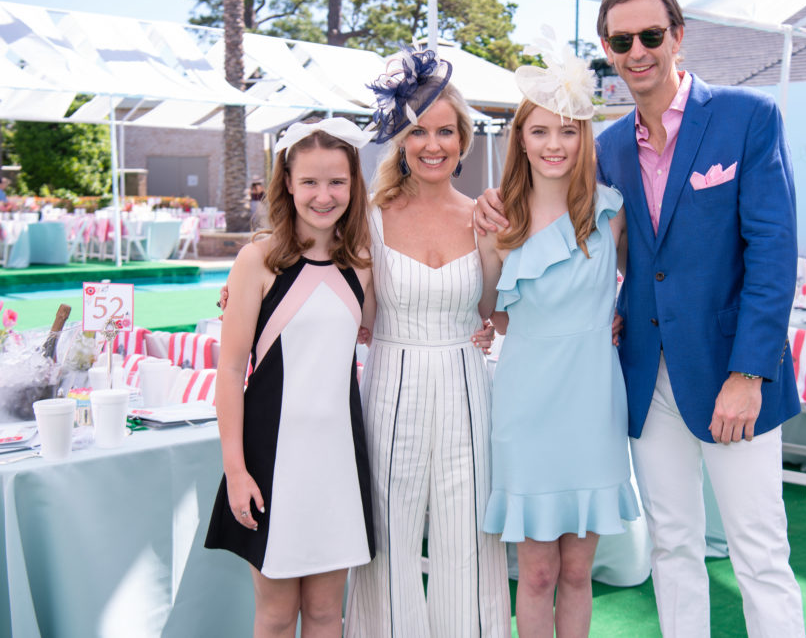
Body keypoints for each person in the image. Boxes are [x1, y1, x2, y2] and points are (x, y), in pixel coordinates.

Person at [477, 0, 805, 637]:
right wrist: (485, 208)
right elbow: (579, 239)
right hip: (643, 380)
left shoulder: (748, 117)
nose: (638, 50)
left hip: (731, 378)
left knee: (759, 551)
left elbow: (774, 257)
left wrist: (750, 373)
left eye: (651, 35)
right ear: (607, 48)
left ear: (677, 36)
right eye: (622, 40)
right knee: (672, 547)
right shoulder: (611, 150)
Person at [344, 48, 511, 638]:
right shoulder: (369, 216)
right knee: (386, 540)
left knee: (468, 537)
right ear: (401, 140)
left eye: (445, 131)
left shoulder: (486, 217)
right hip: (389, 381)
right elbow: (343, 300)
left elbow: (497, 312)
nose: (433, 144)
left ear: (463, 142)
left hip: (467, 383)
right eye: (419, 131)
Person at [477, 43, 639, 638]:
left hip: (593, 403)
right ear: (521, 138)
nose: (553, 144)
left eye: (567, 132)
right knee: (538, 575)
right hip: (526, 405)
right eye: (540, 131)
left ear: (584, 140)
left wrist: (616, 314)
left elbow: (650, 286)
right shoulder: (496, 221)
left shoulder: (611, 211)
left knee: (578, 573)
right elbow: (490, 314)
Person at [204, 117, 376, 637]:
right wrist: (235, 470)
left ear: (354, 185)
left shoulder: (363, 262)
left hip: (339, 462)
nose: (324, 195)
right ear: (286, 183)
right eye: (310, 182)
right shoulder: (257, 260)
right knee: (277, 616)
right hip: (271, 462)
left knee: (327, 614)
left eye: (337, 181)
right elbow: (230, 372)